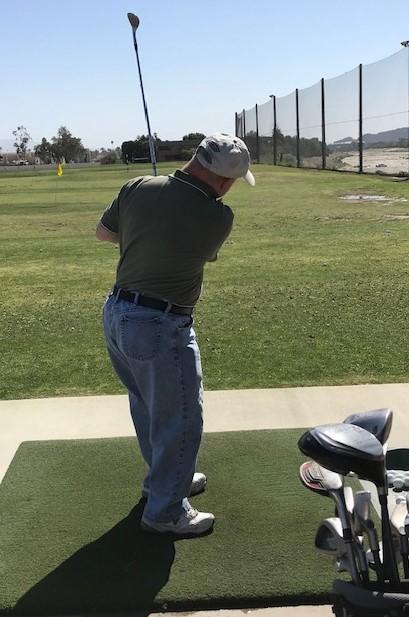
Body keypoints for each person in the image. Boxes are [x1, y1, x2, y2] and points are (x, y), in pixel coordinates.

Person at [96, 133, 255, 536]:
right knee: (181, 417)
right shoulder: (217, 216)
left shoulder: (137, 186)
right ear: (224, 181)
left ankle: (164, 484)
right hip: (159, 324)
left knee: (148, 409)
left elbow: (105, 233)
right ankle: (165, 511)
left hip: (117, 313)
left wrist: (144, 224)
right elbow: (200, 252)